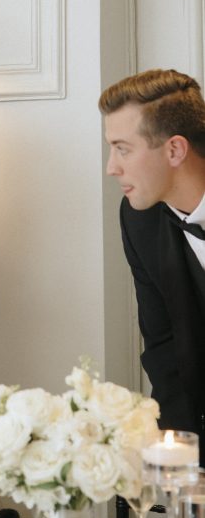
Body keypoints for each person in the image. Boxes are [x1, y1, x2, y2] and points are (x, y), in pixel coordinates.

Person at [99, 68, 205, 462]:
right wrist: (185, 460)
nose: (112, 167)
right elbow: (163, 347)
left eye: (123, 149)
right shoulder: (138, 218)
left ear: (175, 150)